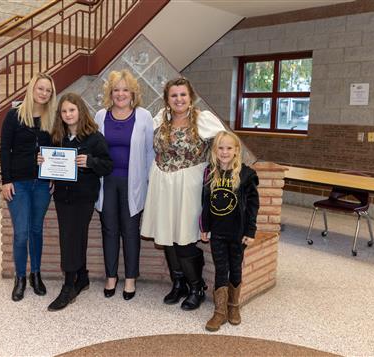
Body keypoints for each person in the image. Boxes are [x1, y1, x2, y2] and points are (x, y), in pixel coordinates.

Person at [141, 77, 225, 311]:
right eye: (174, 95)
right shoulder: (160, 119)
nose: (179, 99)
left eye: (183, 95)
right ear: (167, 100)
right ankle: (178, 283)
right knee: (167, 235)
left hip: (189, 184)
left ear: (190, 97)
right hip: (162, 183)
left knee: (185, 238)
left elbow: (227, 144)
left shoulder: (203, 119)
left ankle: (196, 287)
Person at [47, 93, 113, 311]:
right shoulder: (57, 137)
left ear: (80, 111)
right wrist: (43, 163)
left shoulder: (94, 137)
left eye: (72, 110)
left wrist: (90, 161)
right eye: (64, 111)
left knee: (71, 237)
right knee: (71, 235)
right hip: (62, 197)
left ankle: (68, 286)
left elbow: (107, 165)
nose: (68, 114)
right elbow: (52, 165)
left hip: (83, 197)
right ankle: (82, 277)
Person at [94, 69, 154, 300]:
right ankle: (111, 277)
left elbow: (150, 152)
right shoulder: (100, 116)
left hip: (134, 183)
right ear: (110, 93)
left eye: (125, 90)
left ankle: (130, 279)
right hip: (107, 182)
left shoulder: (144, 116)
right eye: (116, 90)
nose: (120, 94)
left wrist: (148, 185)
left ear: (133, 93)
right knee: (109, 230)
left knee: (130, 232)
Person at [0, 72, 57, 302]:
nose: (44, 93)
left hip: (42, 184)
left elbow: (55, 149)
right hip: (19, 184)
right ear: (32, 88)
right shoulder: (14, 116)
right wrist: (5, 181)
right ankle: (20, 277)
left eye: (48, 91)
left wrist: (52, 171)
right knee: (21, 233)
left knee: (36, 230)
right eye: (40, 88)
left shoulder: (52, 118)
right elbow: (5, 149)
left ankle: (36, 275)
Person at [200, 130, 259, 331]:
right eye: (220, 148)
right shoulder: (210, 172)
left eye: (228, 148)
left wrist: (250, 231)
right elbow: (206, 203)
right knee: (220, 269)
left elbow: (253, 206)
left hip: (238, 233)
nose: (224, 152)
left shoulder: (247, 174)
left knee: (235, 268)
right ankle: (220, 312)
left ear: (236, 150)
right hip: (217, 232)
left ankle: (233, 306)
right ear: (215, 151)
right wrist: (205, 227)